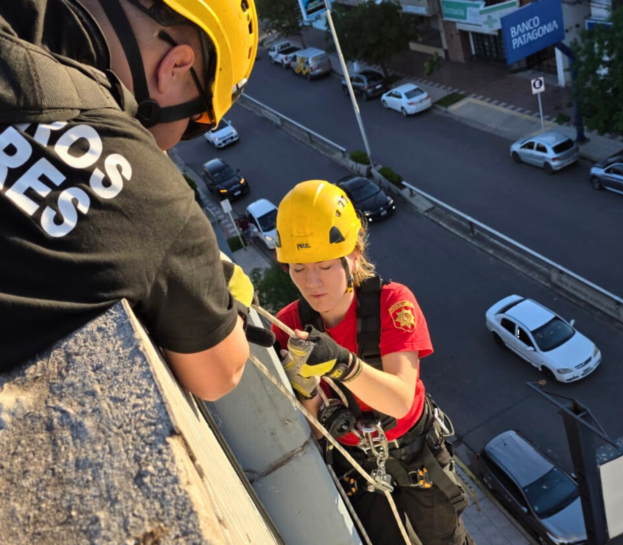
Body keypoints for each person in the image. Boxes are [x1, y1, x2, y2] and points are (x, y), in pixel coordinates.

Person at [0, 0, 274, 400]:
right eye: (196, 119)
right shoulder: (149, 197)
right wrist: (200, 273)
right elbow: (221, 372)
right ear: (176, 66)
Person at [272, 180, 475, 545]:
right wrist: (304, 388)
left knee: (447, 540)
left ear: (354, 254)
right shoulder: (288, 326)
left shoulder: (391, 303)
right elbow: (313, 431)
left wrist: (340, 364)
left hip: (414, 450)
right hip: (355, 459)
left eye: (325, 266)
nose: (312, 283)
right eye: (298, 269)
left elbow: (400, 399)